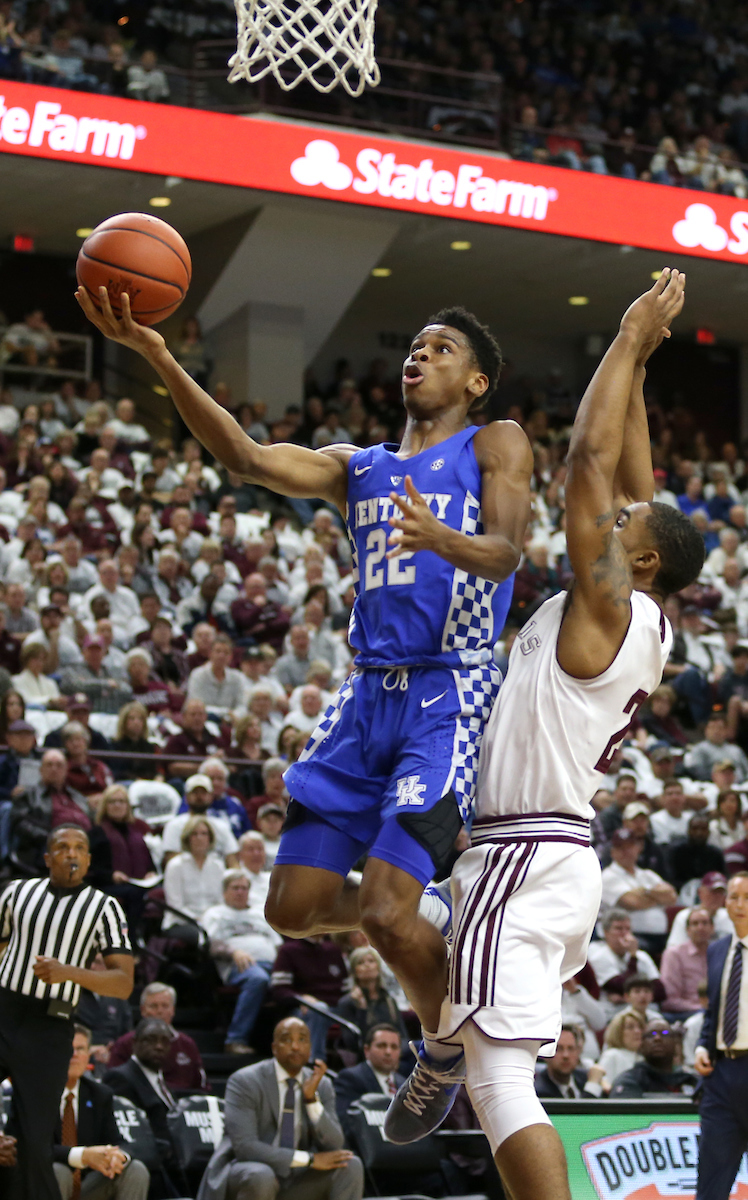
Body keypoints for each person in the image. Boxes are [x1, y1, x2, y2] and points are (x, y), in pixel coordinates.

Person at [77, 284, 534, 1054]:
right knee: (292, 907)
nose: (419, 354)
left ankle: (447, 1048)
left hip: (449, 689)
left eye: (441, 348)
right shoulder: (359, 468)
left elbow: (507, 551)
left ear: (477, 383)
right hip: (365, 695)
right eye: (415, 346)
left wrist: (440, 538)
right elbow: (245, 457)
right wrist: (157, 354)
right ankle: (443, 907)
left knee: (387, 916)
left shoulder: (495, 443)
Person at [386, 271, 706, 1197]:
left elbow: (589, 469)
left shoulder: (605, 606)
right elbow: (636, 478)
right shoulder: (638, 610)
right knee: (387, 914)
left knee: (500, 1083)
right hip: (536, 855)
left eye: (626, 525)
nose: (615, 512)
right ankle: (441, 1039)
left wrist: (620, 333)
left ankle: (449, 1050)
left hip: (520, 860)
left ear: (637, 559)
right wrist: (641, 360)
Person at [0, 825, 133, 1199]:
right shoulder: (16, 892)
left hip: (50, 1025)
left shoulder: (104, 907)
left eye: (79, 848)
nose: (70, 854)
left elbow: (123, 982)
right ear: (47, 858)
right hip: (4, 1008)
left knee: (33, 1140)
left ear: (89, 860)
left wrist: (68, 973)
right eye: (62, 847)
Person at [196, 1016, 363, 1200]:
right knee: (261, 1175)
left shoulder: (321, 1084)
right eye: (286, 1039)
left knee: (350, 1165)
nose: (295, 1046)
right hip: (249, 1172)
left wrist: (311, 1100)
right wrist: (310, 1160)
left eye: (302, 1039)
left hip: (297, 1180)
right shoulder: (245, 1081)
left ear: (310, 1046)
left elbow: (335, 1144)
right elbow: (245, 1147)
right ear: (274, 1048)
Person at [694, 870, 748, 1200]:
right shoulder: (717, 950)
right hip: (721, 1077)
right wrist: (703, 1045)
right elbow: (714, 1012)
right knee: (710, 1187)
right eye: (734, 896)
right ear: (725, 902)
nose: (741, 904)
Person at [53, 1024, 150, 1200]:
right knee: (59, 1171)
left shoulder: (100, 1094)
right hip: (47, 1184)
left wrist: (118, 1157)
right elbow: (33, 1149)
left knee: (135, 1169)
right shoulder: (36, 1093)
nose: (74, 1055)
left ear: (88, 1056)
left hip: (87, 1187)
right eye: (68, 1048)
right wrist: (83, 1156)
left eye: (80, 1049)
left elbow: (117, 1142)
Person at [202, 869, 281, 1053]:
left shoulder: (260, 913)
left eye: (244, 888)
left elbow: (278, 944)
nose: (240, 892)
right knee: (258, 979)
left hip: (272, 964)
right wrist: (234, 951)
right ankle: (235, 1039)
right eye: (235, 888)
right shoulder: (215, 914)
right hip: (239, 965)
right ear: (224, 892)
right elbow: (211, 945)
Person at [107, 981, 208, 1092]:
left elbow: (201, 1086)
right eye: (154, 1006)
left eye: (165, 1006)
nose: (159, 1011)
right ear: (143, 1010)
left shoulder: (187, 1044)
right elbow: (114, 1082)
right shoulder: (125, 1043)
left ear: (173, 1010)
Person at [11, 747, 92, 872]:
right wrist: (54, 837)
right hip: (47, 847)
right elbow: (20, 824)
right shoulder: (28, 795)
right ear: (41, 769)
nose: (54, 769)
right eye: (49, 765)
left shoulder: (78, 797)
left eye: (59, 765)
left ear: (66, 770)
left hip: (84, 845)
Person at [600, 829, 677, 957]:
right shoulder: (608, 876)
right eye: (620, 848)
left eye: (629, 847)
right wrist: (657, 897)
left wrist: (644, 892)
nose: (626, 852)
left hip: (661, 936)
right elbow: (633, 903)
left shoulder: (647, 875)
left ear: (638, 848)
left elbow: (671, 897)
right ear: (612, 852)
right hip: (629, 937)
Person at [104, 1019, 177, 1150]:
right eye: (151, 1040)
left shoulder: (162, 1081)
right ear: (134, 1043)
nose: (159, 1046)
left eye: (164, 1041)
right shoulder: (120, 1077)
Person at [334, 1024, 405, 1138]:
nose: (388, 1052)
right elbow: (344, 1123)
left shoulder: (405, 1084)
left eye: (394, 1047)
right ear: (367, 1050)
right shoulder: (350, 1078)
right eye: (382, 1046)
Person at [335, 946, 407, 1051]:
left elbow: (403, 1035)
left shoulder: (388, 999)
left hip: (396, 1052)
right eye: (361, 963)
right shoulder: (347, 1002)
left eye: (371, 961)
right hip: (369, 1054)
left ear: (378, 967)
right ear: (354, 971)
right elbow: (354, 1044)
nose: (367, 965)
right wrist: (362, 1009)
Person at [162, 815, 226, 935]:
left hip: (213, 920)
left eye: (204, 834)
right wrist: (199, 920)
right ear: (187, 838)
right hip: (182, 921)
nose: (199, 838)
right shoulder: (175, 866)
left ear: (210, 838)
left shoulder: (218, 866)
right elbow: (176, 905)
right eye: (194, 834)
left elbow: (220, 900)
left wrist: (212, 919)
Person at [161, 774, 240, 865]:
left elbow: (232, 861)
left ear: (211, 797)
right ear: (186, 797)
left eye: (203, 793)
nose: (199, 796)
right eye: (195, 792)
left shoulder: (221, 826)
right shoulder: (174, 825)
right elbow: (171, 860)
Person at [609, 1018, 697, 1096]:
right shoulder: (629, 1081)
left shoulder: (691, 1081)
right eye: (651, 1034)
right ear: (641, 1045)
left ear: (676, 1044)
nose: (657, 1038)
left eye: (664, 1033)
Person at [660, 908, 713, 1016]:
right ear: (687, 930)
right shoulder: (674, 954)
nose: (700, 927)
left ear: (712, 928)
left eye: (705, 923)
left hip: (715, 1010)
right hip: (685, 1012)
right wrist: (702, 1009)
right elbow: (670, 1000)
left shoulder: (720, 953)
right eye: (695, 924)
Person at [533, 1026, 605, 1099]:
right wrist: (593, 1086)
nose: (566, 1055)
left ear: (579, 1052)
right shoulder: (539, 1091)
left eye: (571, 1048)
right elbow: (580, 1110)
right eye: (559, 1049)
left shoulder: (584, 1077)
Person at [666, 872, 732, 947]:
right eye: (712, 892)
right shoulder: (684, 916)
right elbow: (673, 949)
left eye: (721, 892)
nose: (717, 896)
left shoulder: (731, 916)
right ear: (700, 892)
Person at [597, 1010, 645, 1086]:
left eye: (640, 1027)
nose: (637, 1031)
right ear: (618, 1032)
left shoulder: (643, 1058)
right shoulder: (612, 1055)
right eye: (630, 1027)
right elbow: (603, 1085)